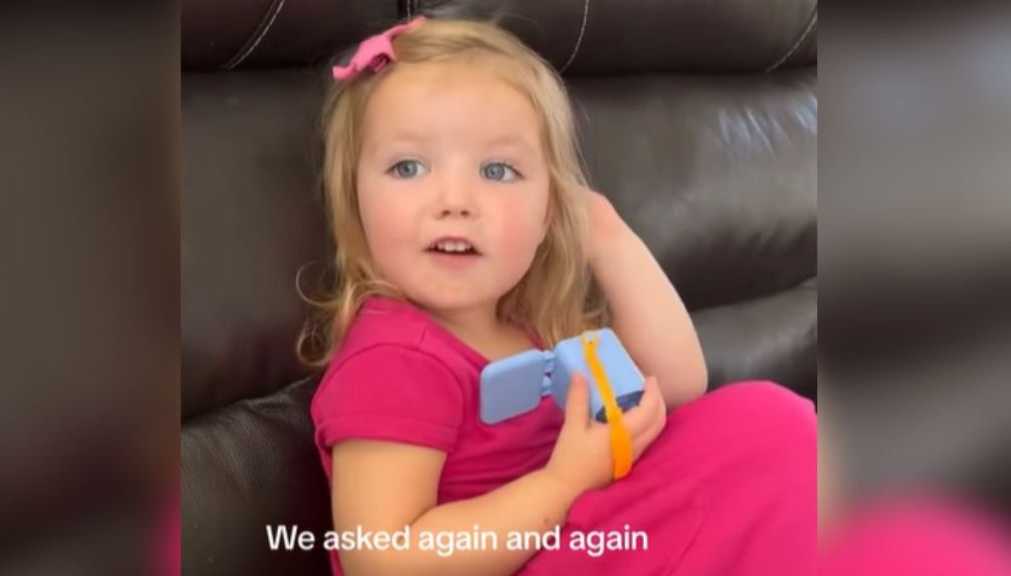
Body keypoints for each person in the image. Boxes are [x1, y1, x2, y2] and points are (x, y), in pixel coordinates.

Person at [301, 17, 815, 576]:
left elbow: (678, 384)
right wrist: (563, 483)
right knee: (770, 432)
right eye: (408, 167)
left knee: (760, 423)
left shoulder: (527, 326)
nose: (455, 200)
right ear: (355, 202)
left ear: (549, 211)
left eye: (498, 170)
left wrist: (606, 233)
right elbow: (383, 561)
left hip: (582, 540)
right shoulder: (393, 360)